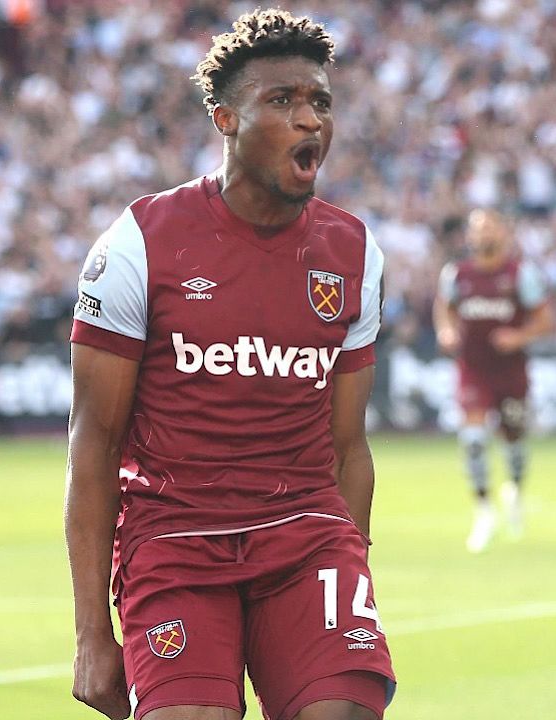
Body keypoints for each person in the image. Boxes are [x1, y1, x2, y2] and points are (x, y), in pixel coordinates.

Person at [65, 10, 394, 720]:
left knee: (342, 710)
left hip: (307, 536)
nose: (310, 119)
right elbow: (94, 445)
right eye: (283, 100)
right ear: (226, 119)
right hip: (174, 542)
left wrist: (350, 573)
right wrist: (92, 633)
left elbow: (348, 445)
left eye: (320, 102)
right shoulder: (138, 244)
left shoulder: (355, 253)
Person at [433, 210, 556, 553]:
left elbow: (546, 320)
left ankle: (514, 491)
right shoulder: (457, 274)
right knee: (473, 439)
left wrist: (518, 337)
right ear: (469, 236)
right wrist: (446, 330)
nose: (484, 234)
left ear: (503, 233)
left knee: (514, 442)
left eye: (490, 227)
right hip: (473, 368)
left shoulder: (521, 275)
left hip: (511, 371)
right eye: (478, 229)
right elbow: (444, 307)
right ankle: (484, 510)